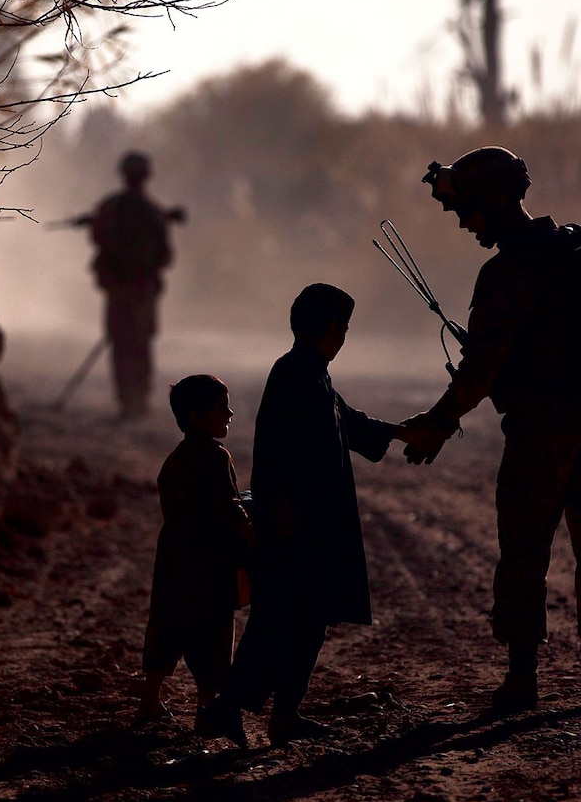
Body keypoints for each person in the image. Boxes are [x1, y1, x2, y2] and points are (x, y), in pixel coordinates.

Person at [400, 147, 581, 714]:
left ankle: (521, 681)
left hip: (541, 428)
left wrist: (439, 424)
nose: (463, 221)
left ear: (490, 201)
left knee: (524, 547)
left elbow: (481, 369)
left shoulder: (507, 272)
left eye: (467, 209)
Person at [199, 284, 436, 747]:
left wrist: (405, 432)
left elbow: (348, 421)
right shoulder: (296, 374)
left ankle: (282, 716)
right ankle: (228, 710)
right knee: (281, 619)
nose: (344, 337)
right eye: (343, 328)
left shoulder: (310, 373)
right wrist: (283, 509)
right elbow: (283, 451)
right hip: (294, 523)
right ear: (330, 328)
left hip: (309, 521)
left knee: (305, 620)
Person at [134, 375, 252, 730]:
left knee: (166, 630)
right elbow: (229, 509)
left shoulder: (174, 460)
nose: (230, 413)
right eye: (222, 407)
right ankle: (206, 709)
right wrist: (251, 535)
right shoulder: (216, 458)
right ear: (198, 416)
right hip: (209, 564)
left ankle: (149, 700)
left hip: (174, 560)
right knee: (212, 636)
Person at [75, 151, 183, 420]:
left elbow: (99, 239)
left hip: (120, 288)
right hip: (143, 289)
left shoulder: (112, 206)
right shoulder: (154, 209)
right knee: (140, 342)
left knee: (122, 342)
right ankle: (139, 400)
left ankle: (128, 400)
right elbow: (166, 255)